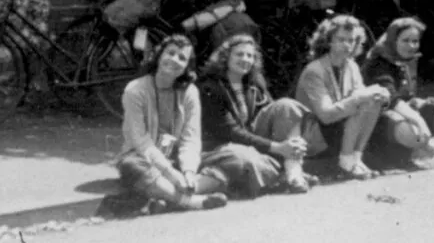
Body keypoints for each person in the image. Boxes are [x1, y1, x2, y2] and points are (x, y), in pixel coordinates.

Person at [199, 33, 321, 195]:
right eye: (239, 54)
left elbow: (275, 114)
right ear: (225, 57)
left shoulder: (255, 82)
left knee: (285, 105)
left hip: (250, 139)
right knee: (248, 162)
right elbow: (230, 132)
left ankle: (293, 172)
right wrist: (277, 147)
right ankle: (279, 175)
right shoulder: (210, 87)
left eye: (250, 55)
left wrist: (288, 145)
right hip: (223, 145)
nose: (245, 59)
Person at [117, 34, 228, 212]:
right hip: (144, 158)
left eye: (182, 58)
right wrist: (171, 174)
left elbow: (190, 138)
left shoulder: (190, 91)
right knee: (132, 167)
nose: (174, 59)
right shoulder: (135, 90)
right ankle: (191, 202)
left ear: (186, 67)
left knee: (225, 168)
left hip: (177, 161)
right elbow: (141, 142)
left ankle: (164, 196)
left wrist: (189, 172)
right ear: (159, 56)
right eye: (171, 53)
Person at [360, 17, 434, 172]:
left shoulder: (406, 59)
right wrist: (418, 119)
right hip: (377, 120)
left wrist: (417, 103)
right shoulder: (378, 62)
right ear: (393, 39)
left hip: (402, 113)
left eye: (415, 41)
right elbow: (391, 99)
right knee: (414, 131)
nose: (411, 46)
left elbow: (406, 95)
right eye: (405, 40)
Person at [294, 14, 390, 179]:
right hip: (314, 135)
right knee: (364, 99)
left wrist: (382, 96)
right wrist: (360, 97)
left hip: (337, 128)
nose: (347, 45)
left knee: (372, 100)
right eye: (341, 39)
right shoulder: (314, 71)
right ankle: (346, 161)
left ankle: (355, 158)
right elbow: (325, 115)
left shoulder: (351, 66)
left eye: (351, 40)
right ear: (329, 40)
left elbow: (361, 100)